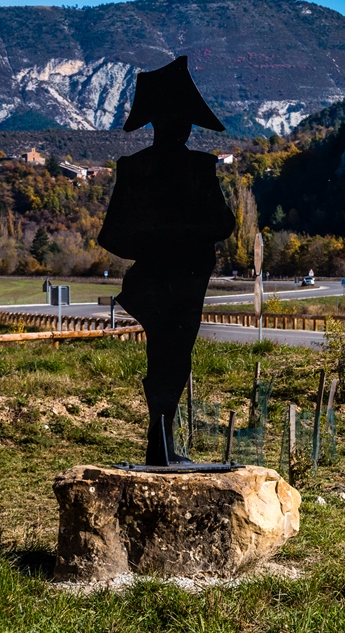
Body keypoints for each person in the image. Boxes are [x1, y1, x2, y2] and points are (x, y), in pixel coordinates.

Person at [98, 56, 235, 466]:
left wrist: (158, 240)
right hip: (175, 281)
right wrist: (174, 239)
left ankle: (160, 442)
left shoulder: (148, 168)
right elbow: (222, 223)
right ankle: (160, 444)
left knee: (170, 359)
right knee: (170, 359)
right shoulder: (181, 169)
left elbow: (223, 223)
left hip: (176, 281)